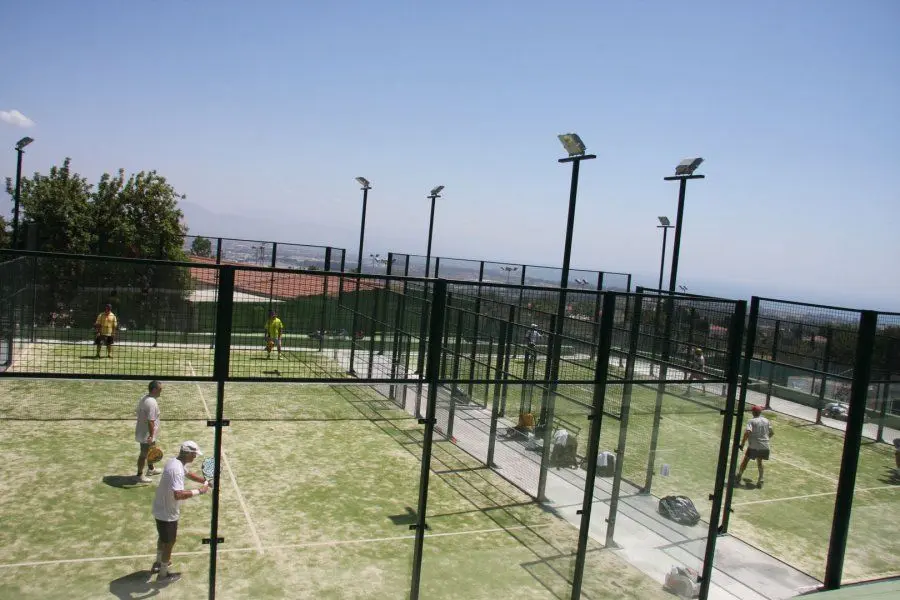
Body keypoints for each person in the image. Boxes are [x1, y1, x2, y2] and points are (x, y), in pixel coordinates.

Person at [150, 440, 210, 582]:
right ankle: (163, 574)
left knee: (163, 538)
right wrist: (200, 491)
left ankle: (158, 563)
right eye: (194, 454)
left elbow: (188, 474)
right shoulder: (177, 470)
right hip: (167, 513)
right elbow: (178, 495)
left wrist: (204, 481)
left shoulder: (174, 462)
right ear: (188, 453)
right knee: (169, 543)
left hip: (160, 508)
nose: (195, 457)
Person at [736, 405, 774, 488]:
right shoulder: (766, 420)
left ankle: (739, 475)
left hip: (754, 446)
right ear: (760, 412)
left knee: (746, 460)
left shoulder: (751, 421)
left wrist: (742, 444)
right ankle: (761, 479)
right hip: (765, 446)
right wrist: (765, 439)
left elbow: (747, 432)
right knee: (759, 461)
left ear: (752, 412)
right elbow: (771, 433)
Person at [135, 381, 163, 484]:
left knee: (151, 451)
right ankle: (139, 475)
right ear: (154, 389)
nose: (161, 391)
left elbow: (138, 412)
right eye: (160, 389)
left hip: (144, 432)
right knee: (143, 454)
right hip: (147, 435)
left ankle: (151, 469)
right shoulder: (152, 403)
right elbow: (151, 421)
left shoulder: (144, 398)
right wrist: (151, 436)